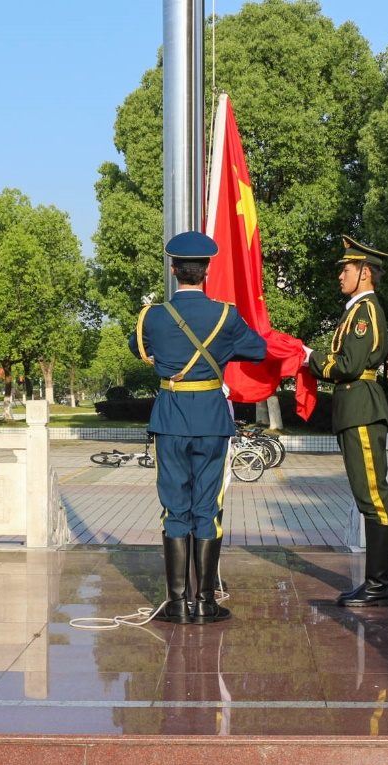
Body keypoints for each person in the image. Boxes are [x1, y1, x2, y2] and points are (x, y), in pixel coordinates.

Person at [129, 231, 267, 625]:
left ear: (173, 270)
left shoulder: (152, 316)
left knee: (175, 508)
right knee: (208, 508)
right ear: (206, 271)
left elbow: (138, 348)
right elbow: (257, 350)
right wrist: (224, 348)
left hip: (171, 418)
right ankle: (205, 603)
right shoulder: (226, 315)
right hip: (211, 419)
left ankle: (176, 604)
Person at [306, 236, 388, 607]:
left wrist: (311, 358)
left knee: (373, 498)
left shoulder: (365, 311)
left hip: (362, 410)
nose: (340, 275)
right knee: (367, 498)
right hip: (353, 409)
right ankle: (376, 584)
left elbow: (349, 365)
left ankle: (379, 586)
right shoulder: (355, 310)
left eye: (346, 269)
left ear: (365, 273)